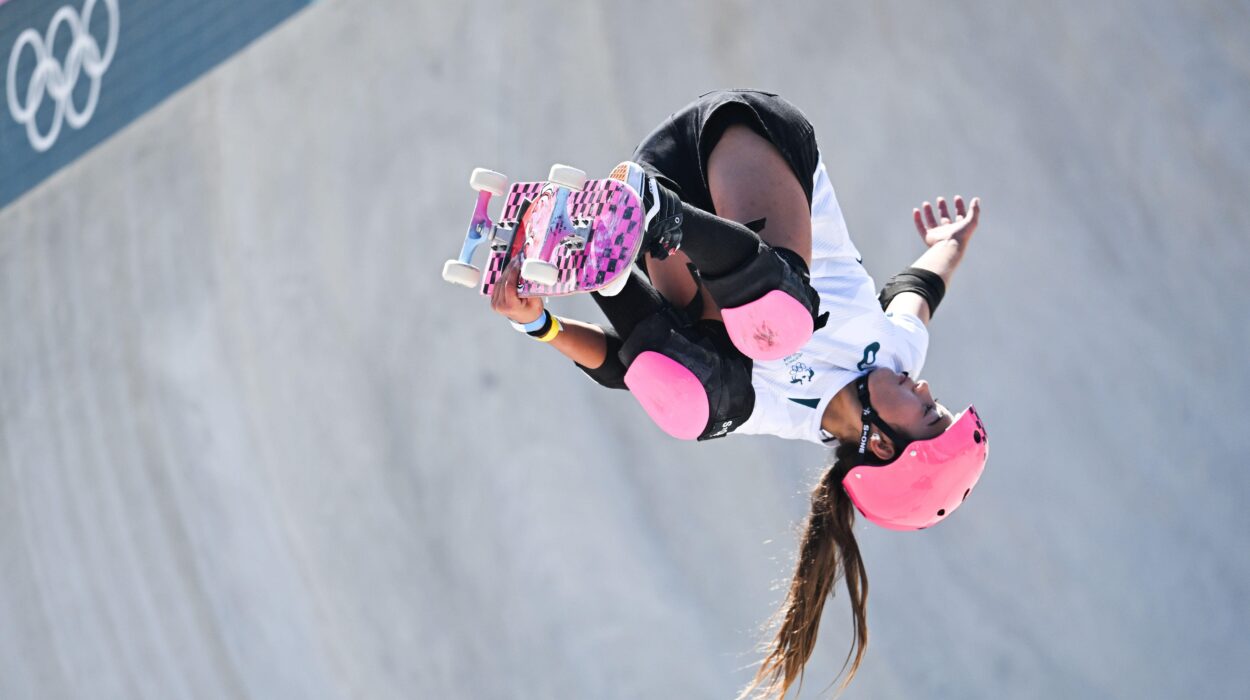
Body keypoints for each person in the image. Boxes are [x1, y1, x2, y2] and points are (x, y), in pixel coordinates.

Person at [486, 89, 989, 698]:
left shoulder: (783, 414)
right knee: (778, 327)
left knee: (698, 402)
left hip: (664, 179)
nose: (927, 388)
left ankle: (599, 255)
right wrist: (953, 240)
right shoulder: (901, 351)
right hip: (750, 139)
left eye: (929, 412)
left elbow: (637, 373)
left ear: (882, 444)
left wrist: (541, 325)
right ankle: (647, 215)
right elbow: (921, 285)